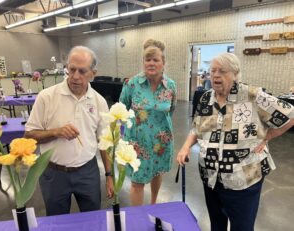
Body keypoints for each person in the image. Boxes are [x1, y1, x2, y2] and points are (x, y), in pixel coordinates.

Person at [177, 53, 294, 231]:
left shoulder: (253, 95)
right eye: (213, 71)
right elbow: (196, 128)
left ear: (235, 74)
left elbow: (290, 115)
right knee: (217, 225)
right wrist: (185, 147)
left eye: (222, 71)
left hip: (243, 179)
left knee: (242, 227)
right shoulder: (205, 98)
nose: (215, 75)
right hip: (211, 177)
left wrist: (267, 136)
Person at [24, 46, 113, 216]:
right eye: (71, 69)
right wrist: (55, 132)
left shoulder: (99, 102)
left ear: (93, 73)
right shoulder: (46, 97)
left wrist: (109, 175)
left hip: (88, 172)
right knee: (56, 222)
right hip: (53, 174)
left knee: (93, 220)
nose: (75, 76)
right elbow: (28, 137)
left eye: (82, 71)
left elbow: (105, 142)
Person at [119, 39, 177, 206]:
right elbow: (122, 108)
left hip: (160, 141)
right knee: (137, 182)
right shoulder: (132, 84)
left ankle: (153, 204)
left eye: (155, 60)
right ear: (143, 62)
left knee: (157, 173)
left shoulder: (170, 85)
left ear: (163, 63)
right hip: (138, 142)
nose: (151, 63)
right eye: (147, 59)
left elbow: (171, 110)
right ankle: (138, 217)